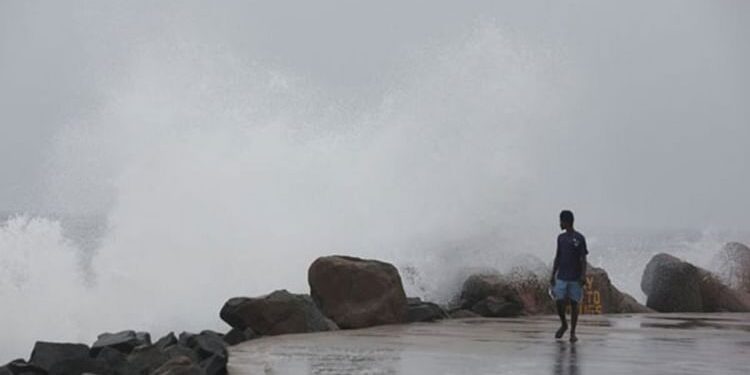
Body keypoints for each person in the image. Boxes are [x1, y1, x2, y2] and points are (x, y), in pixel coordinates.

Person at [550, 210, 588, 342]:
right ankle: (564, 324)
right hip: (562, 276)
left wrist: (583, 275)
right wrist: (552, 274)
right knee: (559, 301)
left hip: (575, 277)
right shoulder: (560, 238)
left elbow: (583, 259)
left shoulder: (579, 238)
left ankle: (573, 332)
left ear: (566, 222)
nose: (559, 224)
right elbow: (558, 257)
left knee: (574, 304)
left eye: (561, 221)